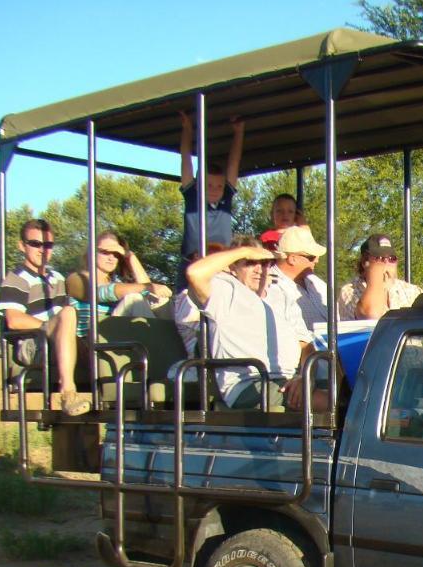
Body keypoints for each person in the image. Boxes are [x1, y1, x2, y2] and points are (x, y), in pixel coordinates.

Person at [185, 237, 317, 411]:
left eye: (264, 263)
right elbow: (195, 273)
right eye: (249, 263)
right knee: (333, 403)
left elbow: (306, 345)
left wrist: (305, 378)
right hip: (252, 382)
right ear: (233, 267)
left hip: (289, 378)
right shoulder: (226, 291)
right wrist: (244, 251)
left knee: (348, 393)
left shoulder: (281, 297)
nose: (259, 269)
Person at [0, 219, 90, 417]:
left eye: (47, 245)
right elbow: (14, 320)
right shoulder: (17, 279)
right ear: (22, 246)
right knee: (68, 313)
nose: (42, 250)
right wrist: (51, 328)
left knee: (102, 337)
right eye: (35, 244)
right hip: (33, 345)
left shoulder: (57, 278)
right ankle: (68, 393)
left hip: (58, 341)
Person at [64, 231, 173, 334]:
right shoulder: (76, 278)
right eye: (105, 252)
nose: (111, 258)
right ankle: (163, 346)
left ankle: (170, 346)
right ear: (92, 253)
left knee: (160, 300)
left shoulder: (117, 283)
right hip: (92, 340)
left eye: (116, 254)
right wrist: (146, 288)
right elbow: (100, 293)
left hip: (117, 335)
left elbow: (151, 292)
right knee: (134, 299)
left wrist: (130, 256)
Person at [178, 111, 244, 262]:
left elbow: (234, 163)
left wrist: (239, 132)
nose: (215, 190)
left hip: (221, 262)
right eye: (208, 185)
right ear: (197, 185)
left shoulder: (226, 197)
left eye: (219, 186)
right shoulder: (192, 196)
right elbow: (186, 159)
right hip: (191, 262)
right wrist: (187, 129)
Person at [337, 234, 423, 320]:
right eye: (380, 258)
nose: (386, 263)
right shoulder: (350, 291)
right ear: (365, 262)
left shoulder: (408, 290)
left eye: (391, 258)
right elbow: (371, 315)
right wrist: (379, 283)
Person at [269, 226, 330, 336]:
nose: (317, 260)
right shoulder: (269, 288)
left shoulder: (318, 284)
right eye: (311, 257)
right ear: (292, 258)